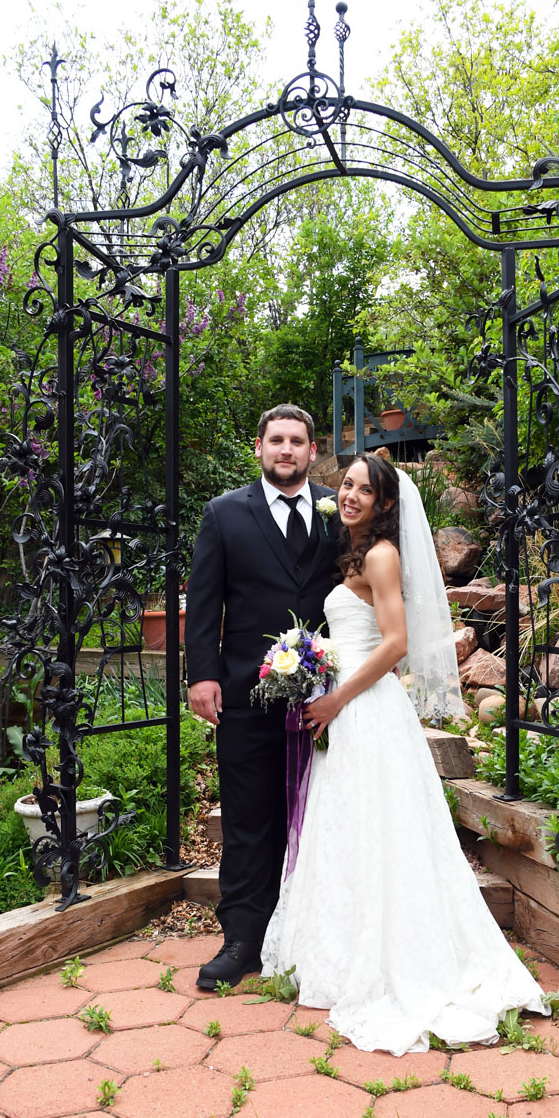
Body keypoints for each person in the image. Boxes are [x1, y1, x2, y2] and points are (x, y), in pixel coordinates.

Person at [261, 454, 549, 1056]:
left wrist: (335, 696)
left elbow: (396, 643)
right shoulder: (356, 553)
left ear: (387, 504)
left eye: (366, 491)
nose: (351, 496)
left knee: (381, 829)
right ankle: (342, 949)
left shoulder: (381, 555)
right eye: (347, 485)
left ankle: (394, 959)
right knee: (355, 829)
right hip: (349, 710)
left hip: (365, 711)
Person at [185, 404, 340, 990]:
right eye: (276, 440)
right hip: (247, 693)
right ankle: (243, 939)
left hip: (324, 700)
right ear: (259, 447)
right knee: (249, 819)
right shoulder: (224, 514)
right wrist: (203, 675)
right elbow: (204, 602)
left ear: (312, 449)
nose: (286, 450)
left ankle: (312, 933)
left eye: (297, 441)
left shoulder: (338, 510)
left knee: (319, 814)